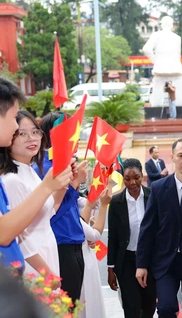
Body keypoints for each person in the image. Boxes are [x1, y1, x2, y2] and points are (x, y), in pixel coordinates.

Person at [0, 77, 72, 275]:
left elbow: (46, 212)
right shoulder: (11, 179)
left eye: (35, 132)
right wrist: (47, 273)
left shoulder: (30, 170)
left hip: (46, 250)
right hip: (32, 265)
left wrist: (63, 184)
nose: (30, 137)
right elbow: (14, 234)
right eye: (21, 133)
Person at [136, 139, 182, 317]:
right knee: (166, 308)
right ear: (172, 158)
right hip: (165, 261)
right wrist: (142, 264)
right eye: (181, 156)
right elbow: (148, 228)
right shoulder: (159, 188)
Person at [35, 111, 88, 304]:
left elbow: (73, 207)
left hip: (75, 241)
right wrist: (74, 185)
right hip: (58, 244)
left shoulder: (66, 163)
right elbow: (50, 210)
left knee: (72, 304)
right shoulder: (42, 168)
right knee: (63, 306)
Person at [108, 159, 157, 318]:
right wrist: (111, 269)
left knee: (149, 305)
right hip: (126, 262)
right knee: (131, 306)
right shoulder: (116, 202)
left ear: (142, 176)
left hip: (150, 261)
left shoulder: (153, 197)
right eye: (127, 179)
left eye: (136, 177)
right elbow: (113, 237)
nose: (132, 182)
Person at [78, 188, 111, 318]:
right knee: (84, 302)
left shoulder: (76, 198)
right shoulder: (65, 202)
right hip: (78, 257)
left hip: (85, 253)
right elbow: (94, 234)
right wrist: (103, 205)